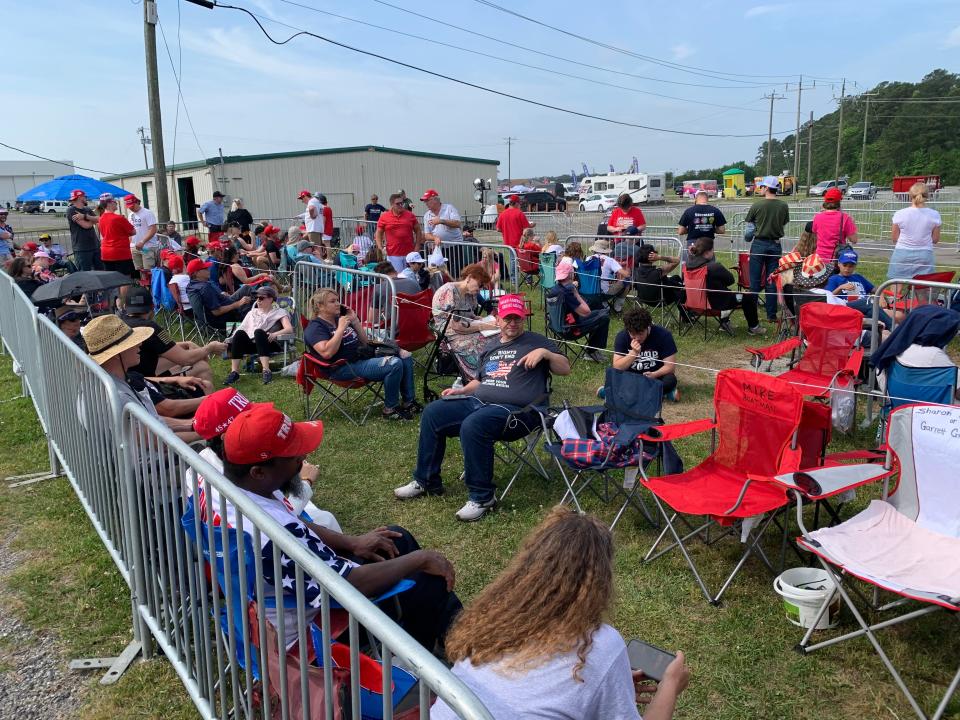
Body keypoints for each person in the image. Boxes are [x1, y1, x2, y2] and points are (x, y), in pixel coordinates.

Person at [219, 403, 461, 653]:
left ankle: (454, 634)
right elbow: (350, 584)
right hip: (307, 638)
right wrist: (421, 559)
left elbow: (296, 521)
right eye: (294, 456)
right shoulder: (272, 534)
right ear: (258, 471)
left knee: (396, 539)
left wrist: (352, 542)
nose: (303, 459)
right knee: (425, 580)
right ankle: (443, 658)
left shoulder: (232, 489)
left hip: (287, 602)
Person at [431, 506, 690, 719]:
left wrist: (603, 689)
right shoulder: (601, 647)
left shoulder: (490, 620)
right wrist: (669, 686)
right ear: (600, 580)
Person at [395, 294, 571, 522]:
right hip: (479, 401)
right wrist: (462, 391)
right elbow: (481, 380)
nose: (512, 323)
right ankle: (426, 481)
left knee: (474, 424)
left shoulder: (536, 341)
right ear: (497, 320)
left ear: (523, 319)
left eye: (517, 318)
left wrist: (546, 354)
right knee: (433, 413)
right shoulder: (491, 346)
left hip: (518, 411)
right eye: (507, 318)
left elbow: (565, 368)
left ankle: (482, 497)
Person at [304, 288, 419, 421]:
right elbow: (327, 353)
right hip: (342, 367)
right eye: (332, 301)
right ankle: (390, 409)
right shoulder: (315, 328)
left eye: (338, 300)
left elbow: (364, 342)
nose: (338, 304)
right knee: (394, 364)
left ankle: (409, 402)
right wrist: (341, 329)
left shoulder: (339, 319)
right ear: (320, 306)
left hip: (361, 357)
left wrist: (355, 321)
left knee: (404, 356)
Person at [81, 314, 200, 442]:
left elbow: (152, 421)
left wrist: (193, 424)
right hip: (153, 458)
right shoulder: (117, 396)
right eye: (131, 342)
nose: (140, 344)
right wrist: (205, 434)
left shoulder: (105, 382)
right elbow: (156, 442)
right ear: (117, 354)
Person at [122, 285, 225, 385]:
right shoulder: (149, 327)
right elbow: (186, 359)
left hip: (127, 379)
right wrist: (210, 348)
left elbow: (155, 347)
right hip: (144, 385)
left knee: (185, 353)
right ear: (153, 306)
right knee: (202, 367)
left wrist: (184, 344)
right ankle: (204, 399)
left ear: (124, 307)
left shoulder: (120, 324)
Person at [686, 237, 765, 336]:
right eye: (712, 249)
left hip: (694, 303)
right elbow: (731, 280)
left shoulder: (688, 266)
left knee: (721, 291)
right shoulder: (714, 267)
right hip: (716, 305)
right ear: (707, 252)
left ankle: (725, 322)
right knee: (749, 297)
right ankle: (754, 327)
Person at [432, 264, 499, 379]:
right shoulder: (449, 291)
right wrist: (484, 325)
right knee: (484, 342)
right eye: (480, 284)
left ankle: (494, 372)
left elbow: (471, 315)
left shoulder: (470, 293)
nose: (481, 288)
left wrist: (486, 320)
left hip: (464, 328)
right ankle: (481, 376)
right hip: (449, 334)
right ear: (469, 278)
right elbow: (456, 326)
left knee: (498, 336)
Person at [224, 285, 293, 386]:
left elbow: (289, 329)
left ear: (270, 299)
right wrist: (230, 339)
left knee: (259, 332)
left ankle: (266, 370)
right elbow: (242, 327)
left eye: (261, 298)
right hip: (252, 344)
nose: (258, 301)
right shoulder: (252, 313)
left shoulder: (280, 312)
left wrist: (275, 334)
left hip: (269, 344)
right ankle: (234, 372)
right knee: (239, 333)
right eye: (256, 298)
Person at [745, 176, 790, 324]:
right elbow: (783, 223)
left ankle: (752, 313)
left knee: (755, 280)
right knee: (772, 280)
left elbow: (749, 229)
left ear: (766, 188)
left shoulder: (757, 205)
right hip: (775, 244)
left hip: (759, 244)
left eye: (761, 186)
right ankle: (771, 315)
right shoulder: (783, 206)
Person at [548, 261, 610, 362]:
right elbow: (587, 312)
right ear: (571, 274)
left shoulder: (554, 290)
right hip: (571, 330)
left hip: (556, 327)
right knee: (604, 317)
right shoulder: (567, 293)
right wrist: (576, 293)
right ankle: (591, 352)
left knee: (601, 312)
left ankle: (593, 350)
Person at [612, 306, 678, 399]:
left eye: (640, 333)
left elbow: (670, 367)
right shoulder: (622, 336)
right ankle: (662, 394)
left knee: (670, 380)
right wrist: (633, 353)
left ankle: (619, 391)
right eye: (633, 334)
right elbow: (617, 367)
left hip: (655, 377)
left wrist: (655, 374)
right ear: (628, 330)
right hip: (632, 377)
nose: (637, 338)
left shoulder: (664, 335)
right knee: (614, 377)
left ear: (648, 327)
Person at [825, 249, 892, 330]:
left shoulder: (858, 277)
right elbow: (828, 298)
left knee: (898, 315)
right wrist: (840, 288)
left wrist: (881, 296)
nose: (847, 268)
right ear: (839, 264)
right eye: (845, 265)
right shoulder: (834, 279)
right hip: (846, 307)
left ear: (855, 266)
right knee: (867, 302)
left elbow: (876, 289)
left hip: (866, 308)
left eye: (851, 266)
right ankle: (894, 328)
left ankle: (888, 330)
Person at [888, 181, 941, 280]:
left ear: (910, 195)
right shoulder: (934, 214)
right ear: (927, 196)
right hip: (925, 254)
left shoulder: (900, 213)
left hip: (902, 253)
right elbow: (935, 239)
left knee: (896, 287)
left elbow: (895, 238)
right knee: (922, 289)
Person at [186, 258, 253, 331]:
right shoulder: (204, 288)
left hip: (215, 316)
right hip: (225, 319)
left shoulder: (191, 286)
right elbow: (217, 312)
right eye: (205, 268)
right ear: (196, 273)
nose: (208, 269)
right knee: (251, 304)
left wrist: (221, 295)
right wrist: (238, 304)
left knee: (246, 288)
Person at [376, 192, 424, 273]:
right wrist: (380, 248)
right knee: (397, 278)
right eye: (398, 204)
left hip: (409, 253)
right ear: (392, 205)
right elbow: (378, 233)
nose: (401, 205)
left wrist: (417, 246)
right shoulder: (384, 217)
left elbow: (418, 231)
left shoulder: (410, 215)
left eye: (402, 203)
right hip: (393, 255)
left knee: (410, 277)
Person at [812, 187, 858, 261]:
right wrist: (853, 223)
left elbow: (815, 234)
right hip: (837, 259)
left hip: (820, 259)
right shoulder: (845, 218)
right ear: (839, 202)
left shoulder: (817, 217)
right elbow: (854, 240)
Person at [97, 196, 137, 279]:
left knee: (112, 279)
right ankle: (122, 293)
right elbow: (133, 232)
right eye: (114, 201)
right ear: (109, 203)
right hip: (120, 252)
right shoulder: (119, 218)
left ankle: (115, 292)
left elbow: (105, 234)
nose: (116, 203)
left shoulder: (101, 218)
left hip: (106, 252)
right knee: (125, 278)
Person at [587, 238, 630, 311]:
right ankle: (617, 308)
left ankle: (604, 304)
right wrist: (628, 270)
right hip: (604, 293)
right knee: (627, 281)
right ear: (605, 251)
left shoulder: (588, 259)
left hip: (588, 291)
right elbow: (626, 274)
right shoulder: (609, 260)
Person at [66, 189, 103, 271]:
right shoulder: (71, 210)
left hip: (95, 245)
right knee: (85, 273)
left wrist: (85, 216)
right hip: (81, 248)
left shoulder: (87, 209)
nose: (86, 198)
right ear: (80, 197)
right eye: (84, 196)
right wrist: (93, 220)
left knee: (101, 271)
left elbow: (100, 219)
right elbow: (86, 226)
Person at [124, 195, 159, 275]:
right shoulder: (130, 215)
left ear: (136, 202)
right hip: (134, 247)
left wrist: (142, 241)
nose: (131, 208)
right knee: (139, 271)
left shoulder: (147, 213)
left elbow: (153, 229)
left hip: (147, 247)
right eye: (129, 206)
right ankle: (144, 286)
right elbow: (130, 231)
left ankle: (150, 286)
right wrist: (130, 244)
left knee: (148, 271)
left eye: (132, 206)